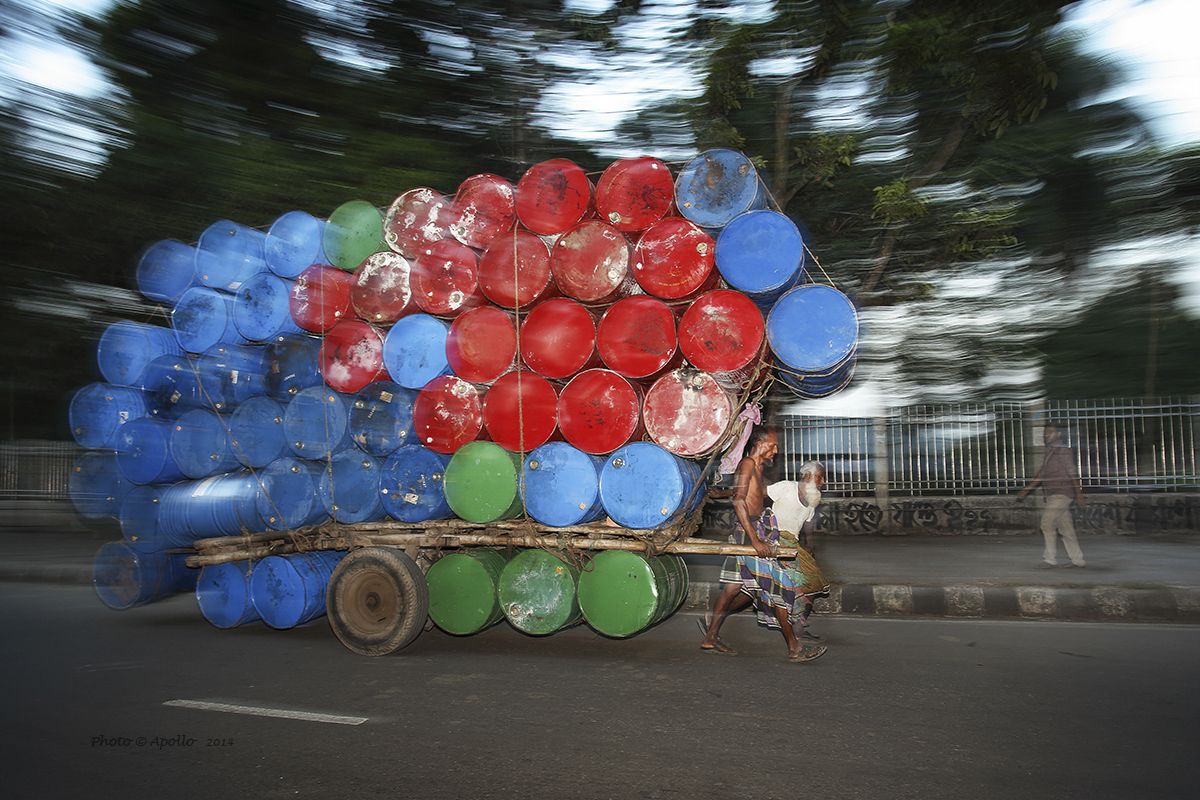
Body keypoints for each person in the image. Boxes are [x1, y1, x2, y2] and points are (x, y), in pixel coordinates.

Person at [700, 426, 827, 662]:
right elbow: (740, 502)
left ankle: (710, 636)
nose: (775, 451)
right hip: (749, 533)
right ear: (760, 443)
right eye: (772, 445)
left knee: (732, 589)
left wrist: (719, 494)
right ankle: (794, 648)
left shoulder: (757, 468)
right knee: (779, 587)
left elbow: (746, 493)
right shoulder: (748, 463)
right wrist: (756, 539)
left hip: (756, 530)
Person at [767, 461, 831, 642]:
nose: (823, 481)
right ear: (808, 476)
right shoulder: (786, 487)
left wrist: (810, 543)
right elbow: (756, 493)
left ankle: (799, 627)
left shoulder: (812, 499)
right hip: (776, 541)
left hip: (792, 545)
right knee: (806, 583)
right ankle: (796, 630)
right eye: (820, 476)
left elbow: (808, 522)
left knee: (812, 584)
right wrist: (726, 493)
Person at [1017, 422, 1087, 568]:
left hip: (1062, 494)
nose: (1046, 435)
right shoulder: (1050, 451)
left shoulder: (1063, 451)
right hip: (1053, 494)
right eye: (1046, 432)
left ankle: (1049, 559)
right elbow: (1042, 473)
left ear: (1059, 434)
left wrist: (1079, 494)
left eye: (1050, 432)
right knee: (1066, 530)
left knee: (1047, 524)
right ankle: (1078, 560)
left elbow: (1072, 472)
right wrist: (1026, 489)